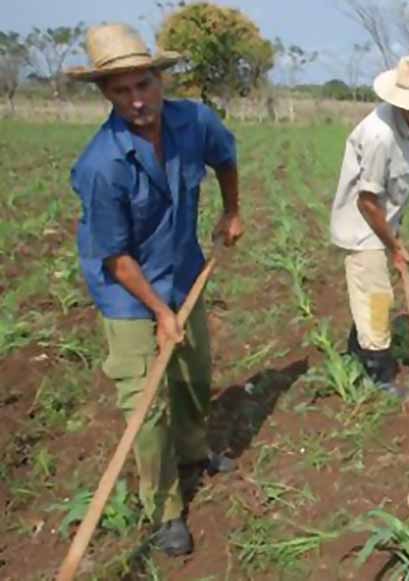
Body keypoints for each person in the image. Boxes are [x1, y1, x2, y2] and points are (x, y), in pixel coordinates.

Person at [67, 23, 243, 555]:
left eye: (143, 84)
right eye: (121, 91)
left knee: (193, 375)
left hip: (183, 267)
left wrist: (233, 211)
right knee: (146, 403)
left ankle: (193, 453)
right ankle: (164, 508)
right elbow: (117, 260)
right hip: (127, 292)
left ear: (160, 79)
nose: (137, 100)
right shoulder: (101, 166)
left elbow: (226, 157)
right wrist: (159, 313)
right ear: (106, 95)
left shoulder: (195, 121)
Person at [329, 56, 409, 394]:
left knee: (375, 293)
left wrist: (394, 236)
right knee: (376, 297)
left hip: (379, 223)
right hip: (363, 227)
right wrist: (394, 246)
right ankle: (376, 373)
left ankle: (358, 349)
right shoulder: (380, 136)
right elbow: (367, 201)